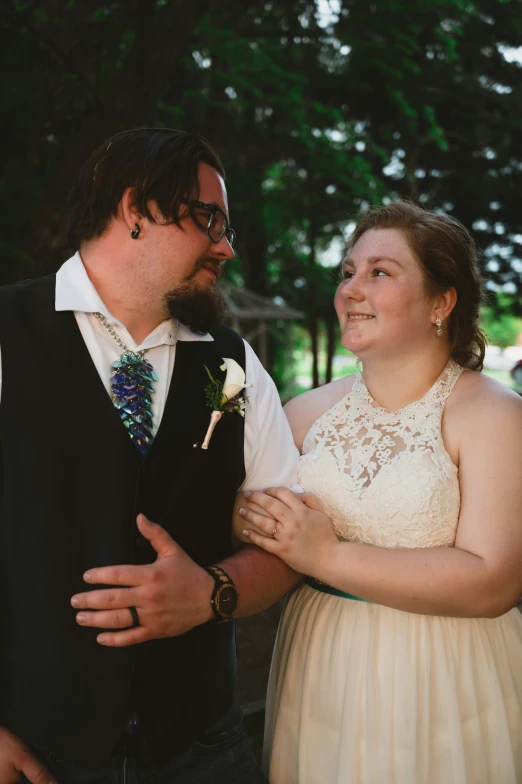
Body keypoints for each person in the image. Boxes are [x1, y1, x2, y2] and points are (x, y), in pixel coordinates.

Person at [0, 128, 301, 784]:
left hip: (204, 748)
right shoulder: (7, 335)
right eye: (209, 219)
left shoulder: (234, 366)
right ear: (136, 210)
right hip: (36, 754)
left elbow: (288, 547)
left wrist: (213, 593)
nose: (226, 245)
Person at [237, 201, 522, 783]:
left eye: (380, 273)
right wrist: (249, 521)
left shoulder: (494, 414)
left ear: (442, 302)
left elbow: (496, 580)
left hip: (445, 674)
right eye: (347, 272)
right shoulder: (304, 414)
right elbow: (253, 522)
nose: (351, 290)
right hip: (320, 661)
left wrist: (327, 556)